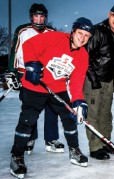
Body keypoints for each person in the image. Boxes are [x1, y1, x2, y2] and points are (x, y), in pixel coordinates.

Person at [9, 17, 94, 179]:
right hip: (35, 85)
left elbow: (76, 81)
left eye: (87, 36)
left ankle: (74, 151)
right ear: (73, 32)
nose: (82, 38)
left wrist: (78, 101)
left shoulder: (83, 55)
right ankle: (17, 156)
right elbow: (29, 45)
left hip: (57, 88)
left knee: (70, 117)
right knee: (28, 120)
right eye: (80, 33)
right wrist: (32, 63)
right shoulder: (55, 37)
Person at [7, 3, 64, 154]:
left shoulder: (51, 31)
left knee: (52, 107)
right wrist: (13, 72)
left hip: (47, 76)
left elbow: (56, 54)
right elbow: (14, 52)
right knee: (30, 109)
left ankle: (51, 139)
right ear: (31, 16)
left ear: (45, 17)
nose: (39, 19)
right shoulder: (22, 31)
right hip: (27, 75)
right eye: (36, 16)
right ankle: (29, 137)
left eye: (42, 16)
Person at [84, 4, 114, 160]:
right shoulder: (97, 30)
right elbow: (86, 57)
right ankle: (95, 147)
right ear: (109, 14)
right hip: (94, 79)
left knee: (106, 114)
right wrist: (94, 79)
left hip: (109, 80)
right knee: (93, 114)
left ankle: (105, 142)